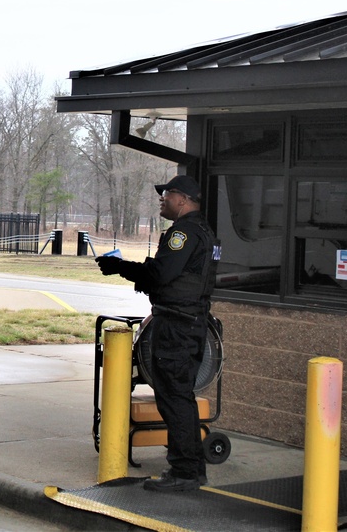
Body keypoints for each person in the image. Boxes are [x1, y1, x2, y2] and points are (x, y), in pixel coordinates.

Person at [96, 175, 220, 492]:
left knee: (173, 399)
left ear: (182, 198)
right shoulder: (205, 231)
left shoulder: (183, 232)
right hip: (191, 323)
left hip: (176, 327)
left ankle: (184, 474)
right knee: (181, 398)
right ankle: (192, 468)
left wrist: (120, 267)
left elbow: (161, 275)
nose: (161, 200)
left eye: (166, 195)